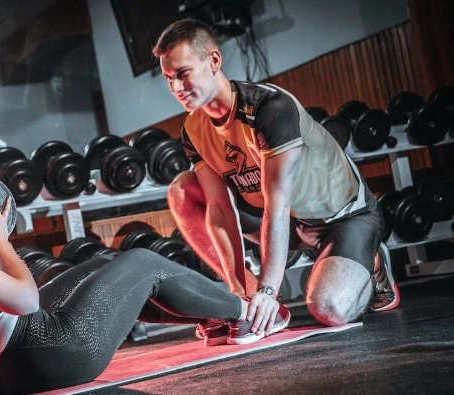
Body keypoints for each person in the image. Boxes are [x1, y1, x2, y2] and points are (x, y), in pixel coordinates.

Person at [0, 134, 290, 395]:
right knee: (144, 262)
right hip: (50, 352)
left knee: (96, 267)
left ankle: (211, 317)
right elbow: (24, 298)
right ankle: (248, 313)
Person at [152, 19, 399, 343]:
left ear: (213, 61)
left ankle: (372, 260)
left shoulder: (269, 108)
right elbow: (219, 209)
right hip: (281, 221)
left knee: (329, 308)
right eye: (169, 79)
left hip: (340, 219)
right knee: (183, 191)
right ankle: (252, 302)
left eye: (183, 74)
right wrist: (241, 295)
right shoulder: (194, 129)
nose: (176, 88)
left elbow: (277, 206)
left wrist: (269, 288)